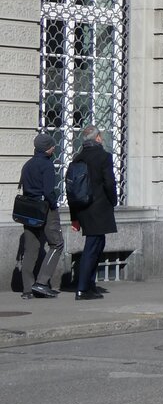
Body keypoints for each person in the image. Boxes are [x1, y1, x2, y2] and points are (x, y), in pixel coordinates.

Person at [68, 125, 118, 300]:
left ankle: (90, 285)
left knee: (98, 245)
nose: (102, 139)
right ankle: (82, 288)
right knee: (92, 247)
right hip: (99, 208)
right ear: (97, 138)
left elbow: (71, 189)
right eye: (100, 137)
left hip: (83, 209)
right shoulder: (104, 157)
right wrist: (114, 201)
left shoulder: (78, 158)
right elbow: (109, 183)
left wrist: (75, 216)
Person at [18, 132, 64, 300]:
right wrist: (54, 205)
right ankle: (42, 283)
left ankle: (27, 289)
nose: (54, 148)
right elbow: (48, 191)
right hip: (45, 208)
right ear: (47, 148)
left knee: (31, 248)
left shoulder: (28, 164)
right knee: (57, 244)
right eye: (52, 146)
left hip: (28, 209)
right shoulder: (47, 165)